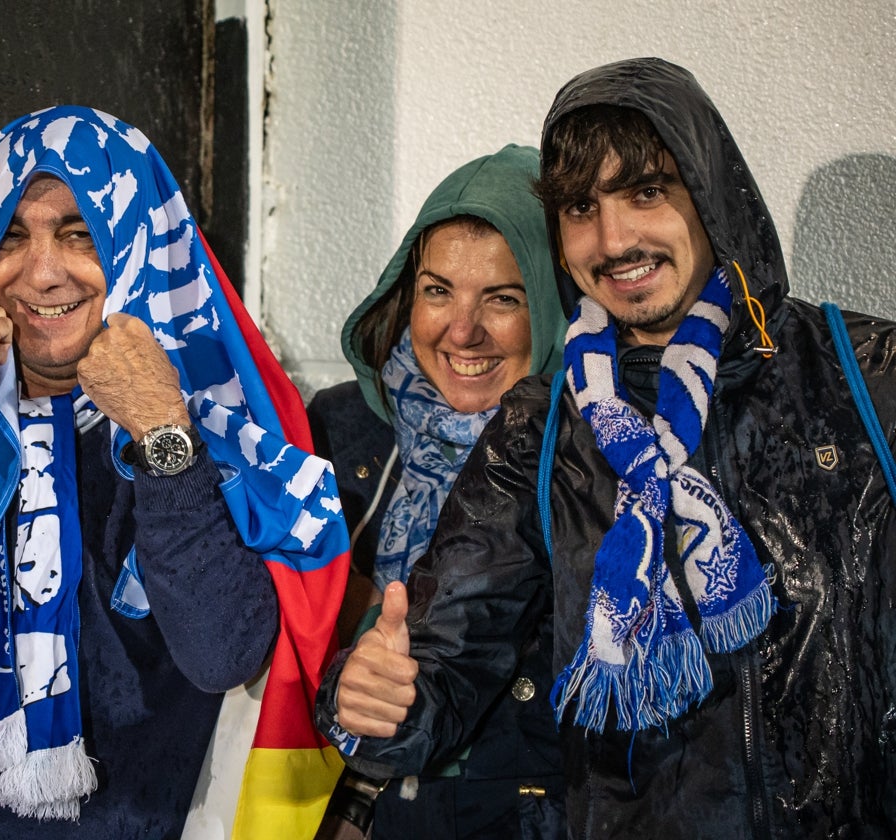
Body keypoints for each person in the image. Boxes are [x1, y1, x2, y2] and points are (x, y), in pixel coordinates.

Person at [315, 56, 896, 838]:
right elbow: (443, 659)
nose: (614, 239)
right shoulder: (542, 426)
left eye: (647, 192)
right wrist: (374, 693)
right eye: (582, 207)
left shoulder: (865, 375)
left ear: (710, 196)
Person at [0, 106, 347, 839]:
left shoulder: (216, 414)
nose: (42, 272)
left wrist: (159, 430)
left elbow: (222, 654)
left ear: (137, 245)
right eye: (12, 235)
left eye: (80, 233)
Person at [308, 145, 567, 838]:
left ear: (552, 305)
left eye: (504, 299)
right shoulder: (337, 430)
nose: (462, 330)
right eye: (438, 290)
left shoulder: (591, 462)